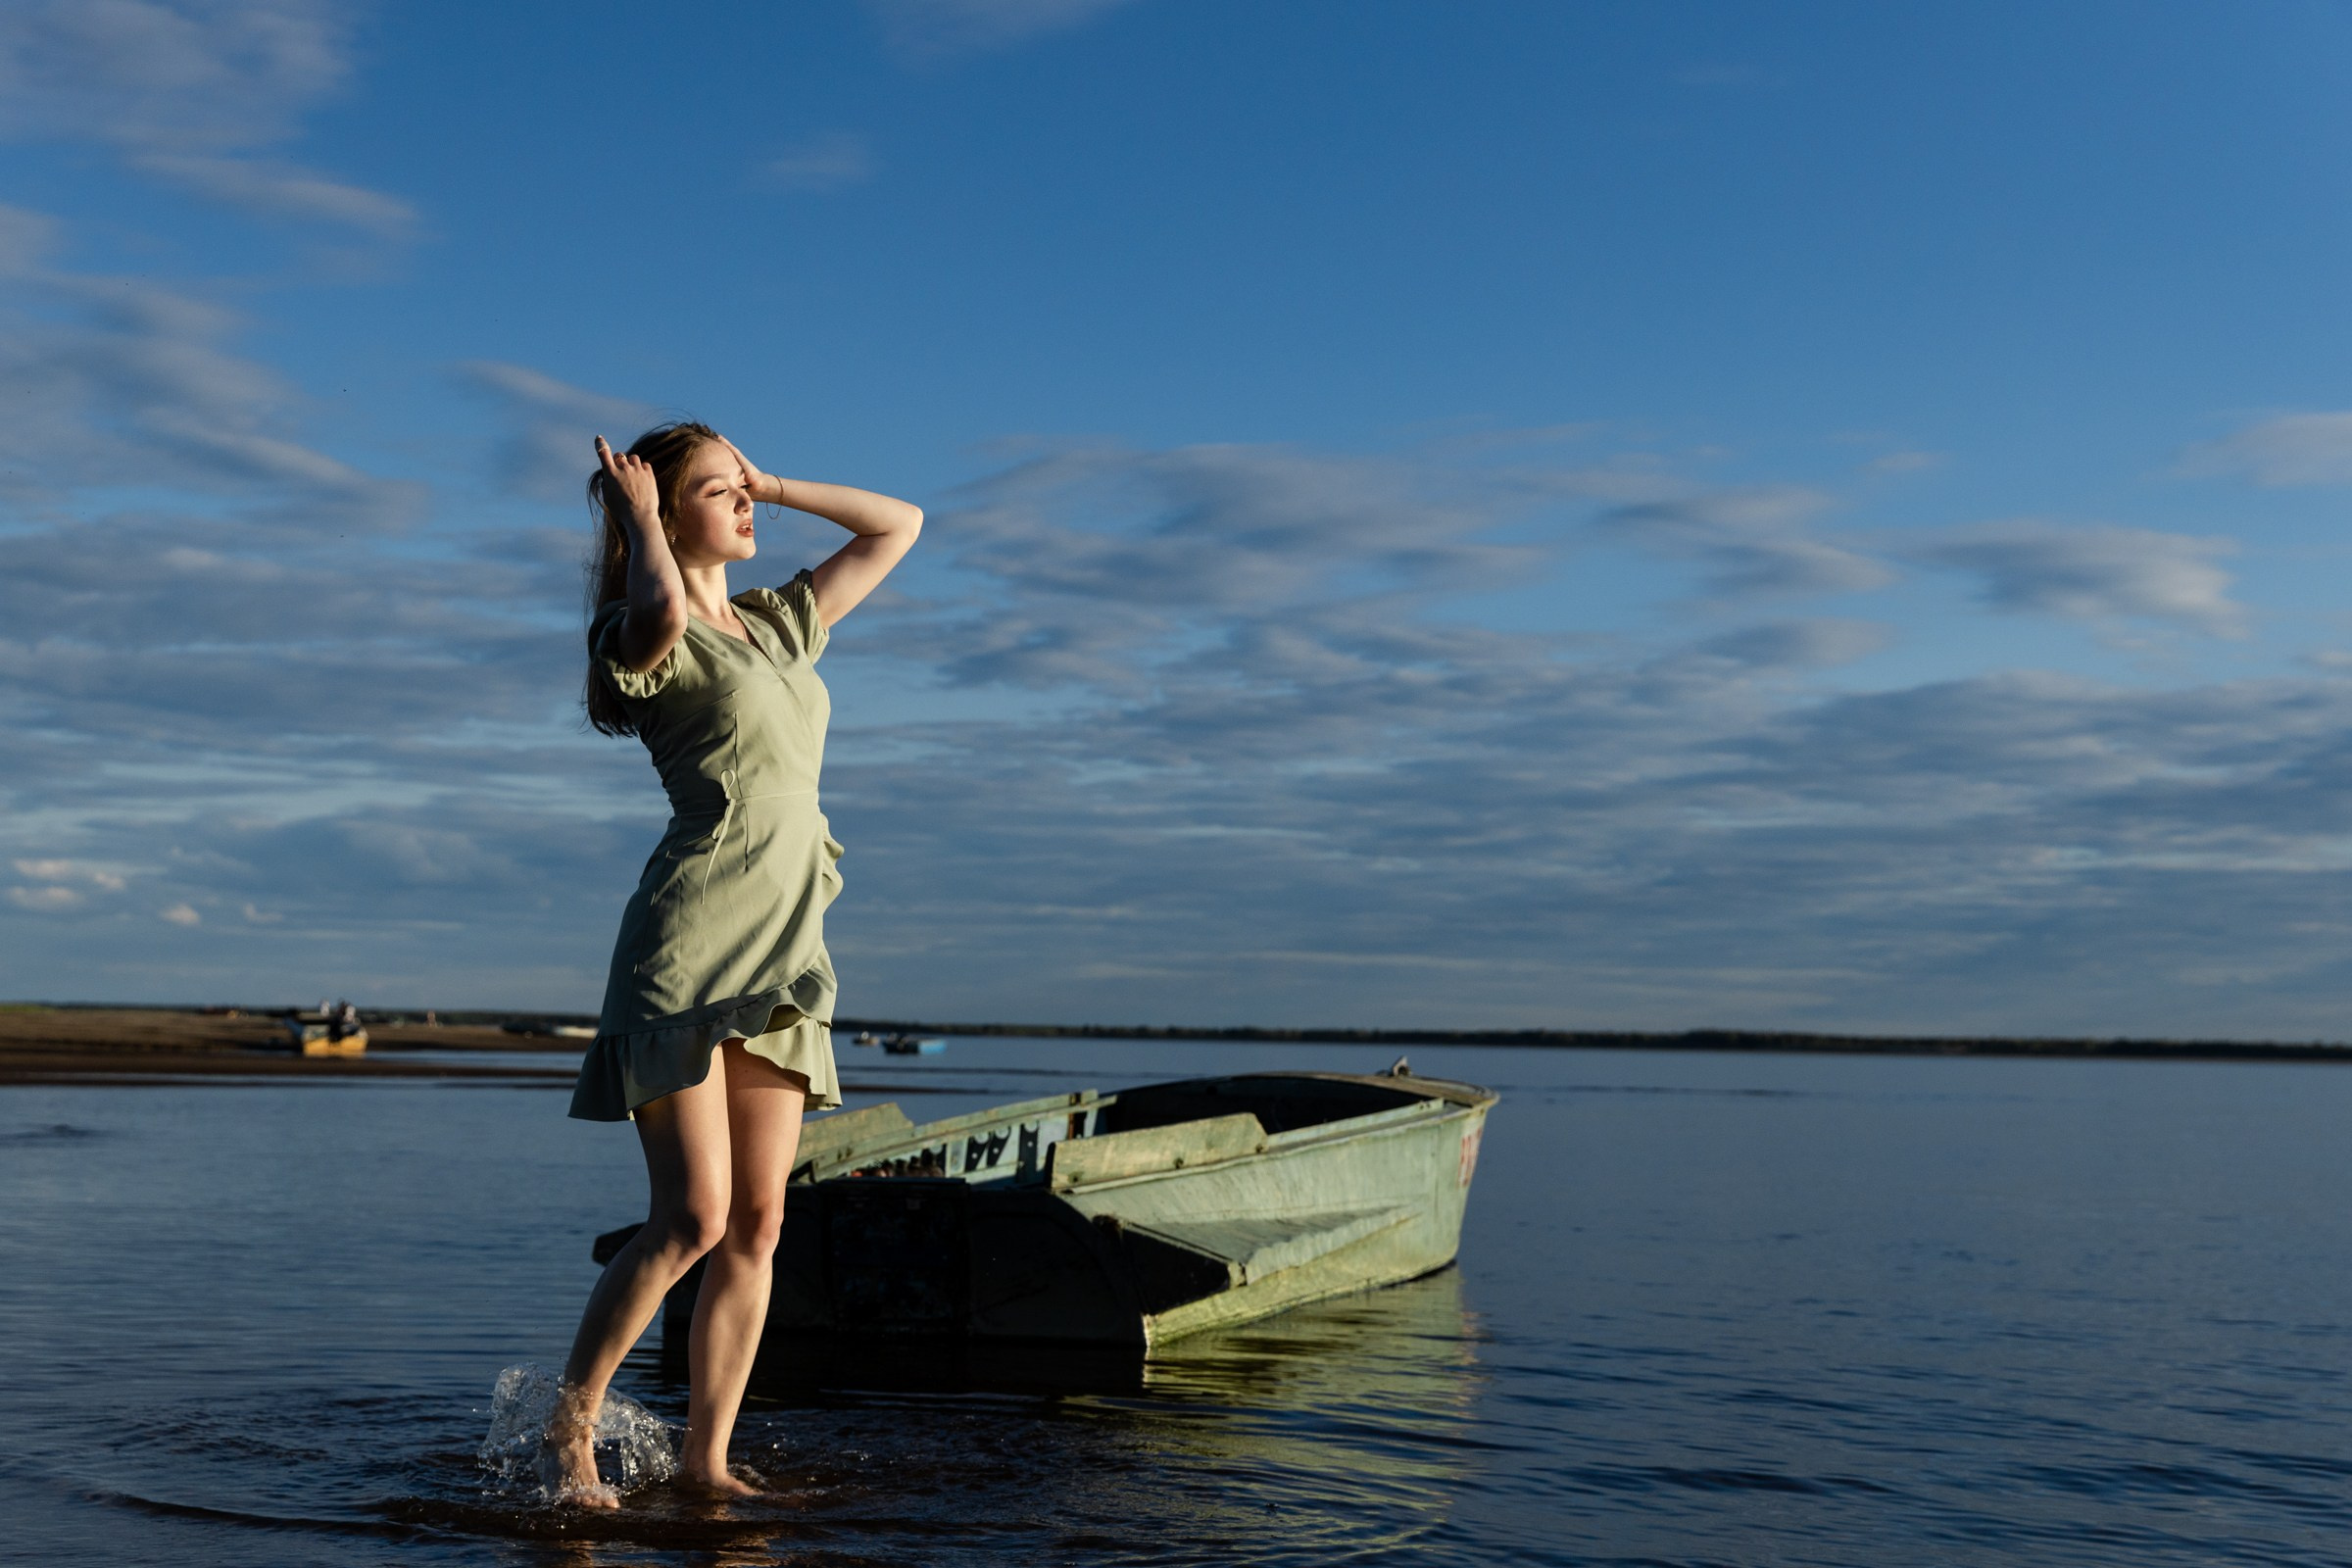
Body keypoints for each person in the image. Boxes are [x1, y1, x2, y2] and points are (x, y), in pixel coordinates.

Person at [547, 420, 921, 1505]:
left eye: (745, 484)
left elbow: (902, 523)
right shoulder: (634, 628)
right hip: (687, 946)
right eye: (724, 489)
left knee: (760, 1221)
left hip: (788, 950)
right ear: (663, 516)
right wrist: (634, 519)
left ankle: (705, 1463)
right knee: (692, 1218)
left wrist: (776, 477)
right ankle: (569, 1435)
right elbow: (662, 608)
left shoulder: (781, 625)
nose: (748, 501)